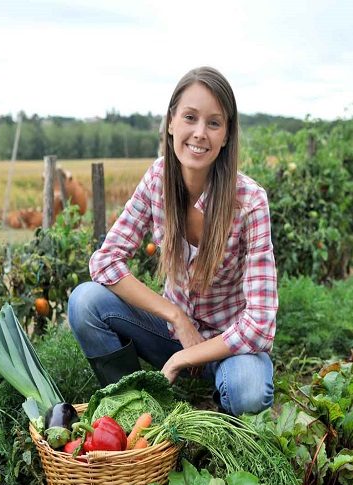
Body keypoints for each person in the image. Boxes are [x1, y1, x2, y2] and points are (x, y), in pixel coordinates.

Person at [67, 66, 277, 416]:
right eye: (190, 118)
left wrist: (187, 355)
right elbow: (105, 262)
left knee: (248, 391)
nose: (199, 133)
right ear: (170, 122)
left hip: (229, 346)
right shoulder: (157, 180)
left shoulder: (250, 201)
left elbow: (259, 325)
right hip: (168, 334)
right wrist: (176, 317)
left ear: (226, 134)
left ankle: (217, 420)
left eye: (213, 123)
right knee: (85, 301)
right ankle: (139, 407)